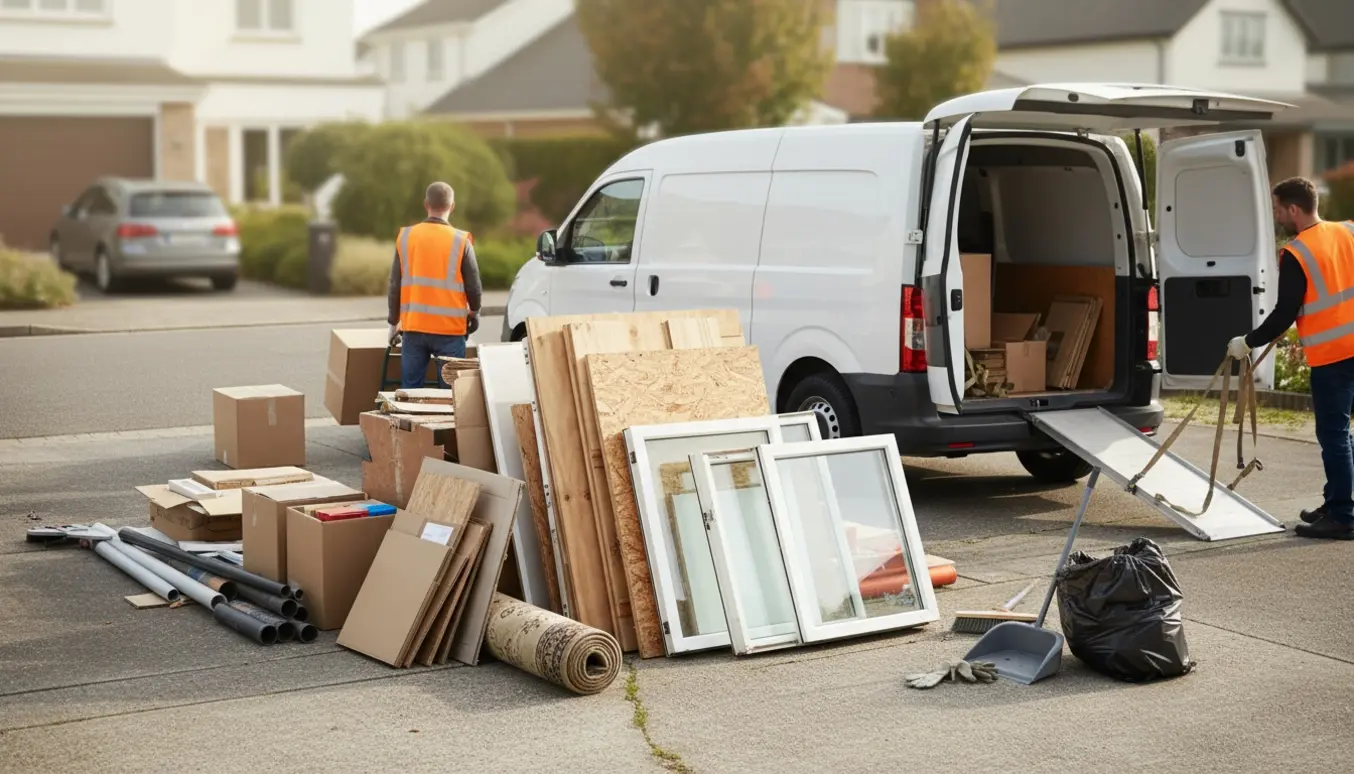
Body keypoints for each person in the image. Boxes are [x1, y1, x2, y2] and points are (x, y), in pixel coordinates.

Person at [1229, 177, 1354, 540]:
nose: (1277, 215)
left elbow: (1285, 312)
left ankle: (1343, 517)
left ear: (1294, 209)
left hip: (1334, 357)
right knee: (1343, 436)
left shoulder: (1297, 253)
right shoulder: (1348, 231)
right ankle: (1336, 503)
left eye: (1278, 209)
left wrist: (1248, 342)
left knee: (1334, 437)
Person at [387, 182, 483, 389]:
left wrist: (393, 322)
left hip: (414, 328)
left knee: (410, 393)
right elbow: (474, 286)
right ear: (452, 206)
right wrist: (474, 312)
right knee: (452, 393)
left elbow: (395, 285)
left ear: (426, 204)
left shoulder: (406, 237)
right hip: (450, 331)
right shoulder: (461, 240)